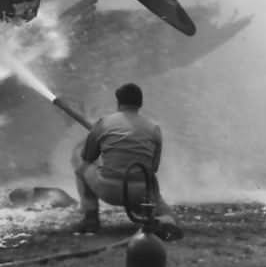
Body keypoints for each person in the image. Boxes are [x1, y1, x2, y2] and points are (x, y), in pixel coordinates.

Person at [72, 82, 183, 240]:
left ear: (118, 103)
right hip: (142, 194)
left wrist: (101, 141)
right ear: (140, 104)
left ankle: (90, 217)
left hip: (109, 190)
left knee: (80, 165)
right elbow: (153, 167)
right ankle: (160, 222)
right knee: (171, 217)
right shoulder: (154, 128)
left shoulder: (103, 123)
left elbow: (88, 157)